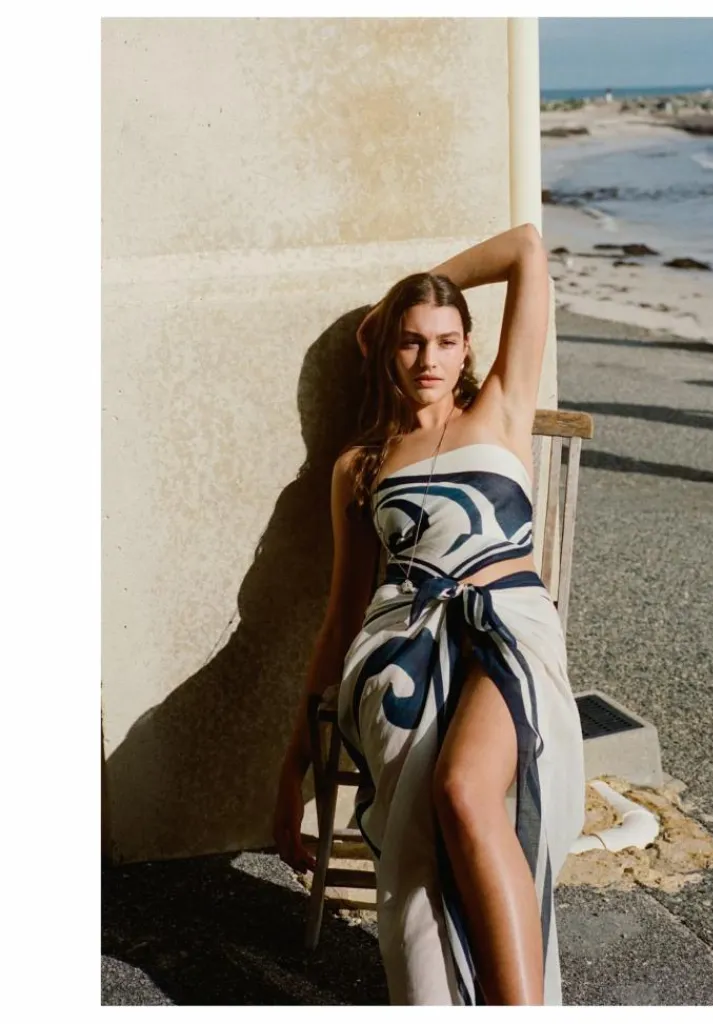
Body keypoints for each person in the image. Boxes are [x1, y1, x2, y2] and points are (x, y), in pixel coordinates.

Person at [273, 223, 586, 1006]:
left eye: (446, 340)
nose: (428, 359)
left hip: (509, 625)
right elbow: (342, 612)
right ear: (388, 355)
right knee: (424, 826)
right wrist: (294, 763)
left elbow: (526, 248)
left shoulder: (502, 409)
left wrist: (392, 300)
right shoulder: (360, 466)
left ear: (468, 346)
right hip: (399, 647)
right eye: (409, 341)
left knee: (464, 792)